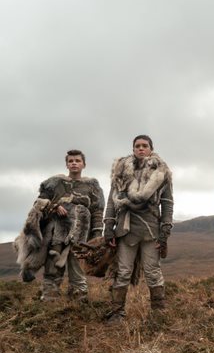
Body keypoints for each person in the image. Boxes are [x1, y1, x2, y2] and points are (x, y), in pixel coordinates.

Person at [15, 150, 104, 301]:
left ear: (84, 164)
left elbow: (97, 211)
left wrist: (97, 235)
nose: (74, 163)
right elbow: (38, 203)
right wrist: (54, 206)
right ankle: (50, 298)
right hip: (57, 231)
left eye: (77, 161)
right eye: (71, 161)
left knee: (78, 264)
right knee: (53, 264)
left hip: (82, 231)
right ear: (67, 164)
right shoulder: (54, 183)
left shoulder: (92, 187)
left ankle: (79, 298)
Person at [103, 135, 173, 322]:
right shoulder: (121, 172)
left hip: (151, 229)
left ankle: (158, 313)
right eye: (137, 146)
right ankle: (117, 312)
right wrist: (108, 226)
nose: (141, 149)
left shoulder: (161, 172)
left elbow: (167, 204)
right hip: (126, 229)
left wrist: (165, 231)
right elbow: (112, 202)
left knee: (152, 271)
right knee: (123, 271)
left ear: (151, 148)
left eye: (145, 146)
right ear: (133, 149)